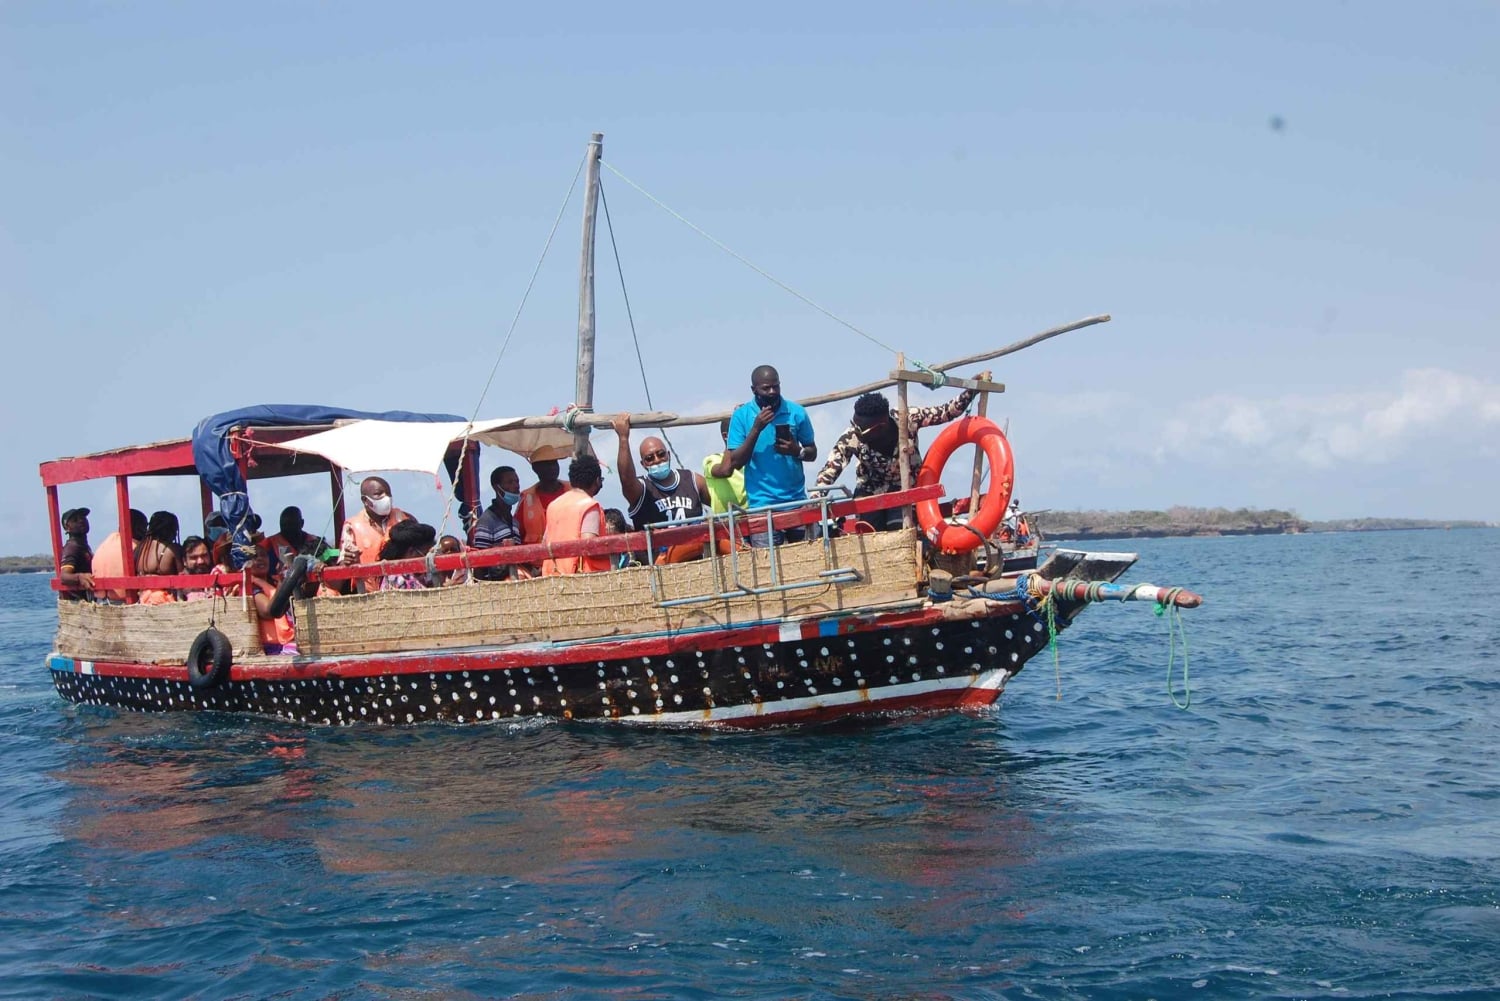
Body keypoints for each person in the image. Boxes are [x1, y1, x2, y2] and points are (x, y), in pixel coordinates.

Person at [814, 373, 987, 531]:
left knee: (899, 527)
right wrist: (816, 497)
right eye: (854, 425)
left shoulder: (908, 419)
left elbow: (945, 412)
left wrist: (970, 392)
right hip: (870, 491)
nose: (856, 432)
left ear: (880, 426)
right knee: (869, 530)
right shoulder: (852, 437)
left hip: (904, 489)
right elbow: (830, 470)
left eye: (861, 430)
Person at [712, 365, 817, 547]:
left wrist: (796, 450)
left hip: (798, 502)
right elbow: (735, 462)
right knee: (766, 566)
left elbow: (812, 452)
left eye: (776, 386)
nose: (772, 391)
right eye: (766, 388)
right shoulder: (741, 416)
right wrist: (756, 428)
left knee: (810, 559)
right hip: (761, 507)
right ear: (754, 390)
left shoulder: (796, 412)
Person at [612, 415, 709, 531]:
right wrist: (623, 438)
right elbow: (626, 480)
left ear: (669, 455)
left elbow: (720, 502)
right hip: (657, 549)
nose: (657, 460)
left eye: (661, 454)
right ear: (643, 464)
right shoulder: (641, 489)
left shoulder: (693, 481)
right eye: (649, 458)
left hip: (696, 547)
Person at [540, 455, 612, 576]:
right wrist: (612, 551)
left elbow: (544, 543)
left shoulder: (553, 505)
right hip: (578, 579)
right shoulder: (589, 505)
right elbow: (589, 545)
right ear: (597, 480)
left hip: (552, 576)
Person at [339, 476, 412, 592]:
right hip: (367, 592)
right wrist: (347, 561)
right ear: (365, 500)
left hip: (404, 590)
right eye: (379, 494)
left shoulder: (404, 518)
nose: (386, 498)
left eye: (388, 494)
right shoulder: (351, 526)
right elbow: (342, 562)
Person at [471, 465, 523, 581]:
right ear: (496, 487)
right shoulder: (487, 520)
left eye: (517, 481)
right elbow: (480, 562)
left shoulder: (514, 521)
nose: (516, 486)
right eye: (509, 482)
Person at [91, 508, 147, 602]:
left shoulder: (105, 544)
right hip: (123, 601)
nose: (146, 531)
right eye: (144, 527)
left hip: (101, 600)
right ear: (136, 527)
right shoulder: (134, 548)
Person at [264, 506, 327, 584]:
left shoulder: (316, 542)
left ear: (302, 523)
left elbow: (334, 561)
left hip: (314, 588)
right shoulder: (269, 544)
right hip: (279, 589)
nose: (288, 529)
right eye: (284, 525)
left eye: (292, 524)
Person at [517, 457, 569, 545]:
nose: (552, 467)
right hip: (537, 556)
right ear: (536, 469)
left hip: (569, 555)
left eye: (554, 463)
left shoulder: (573, 490)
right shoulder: (526, 498)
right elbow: (518, 533)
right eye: (547, 464)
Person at [701, 417, 748, 513]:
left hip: (754, 517)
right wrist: (732, 441)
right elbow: (725, 471)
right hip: (725, 524)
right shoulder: (712, 460)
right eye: (739, 432)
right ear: (726, 436)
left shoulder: (752, 461)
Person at [377, 521, 438, 591]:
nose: (429, 558)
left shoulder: (424, 575)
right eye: (426, 554)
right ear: (411, 552)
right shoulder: (395, 578)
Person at [58, 508, 95, 601]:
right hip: (78, 604)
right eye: (75, 520)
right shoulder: (72, 547)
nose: (81, 521)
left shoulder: (83, 546)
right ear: (67, 527)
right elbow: (63, 576)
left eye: (83, 518)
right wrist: (79, 577)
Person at [180, 535, 218, 602]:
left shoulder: (217, 574)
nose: (200, 561)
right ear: (184, 561)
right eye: (194, 558)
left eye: (204, 556)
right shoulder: (180, 583)